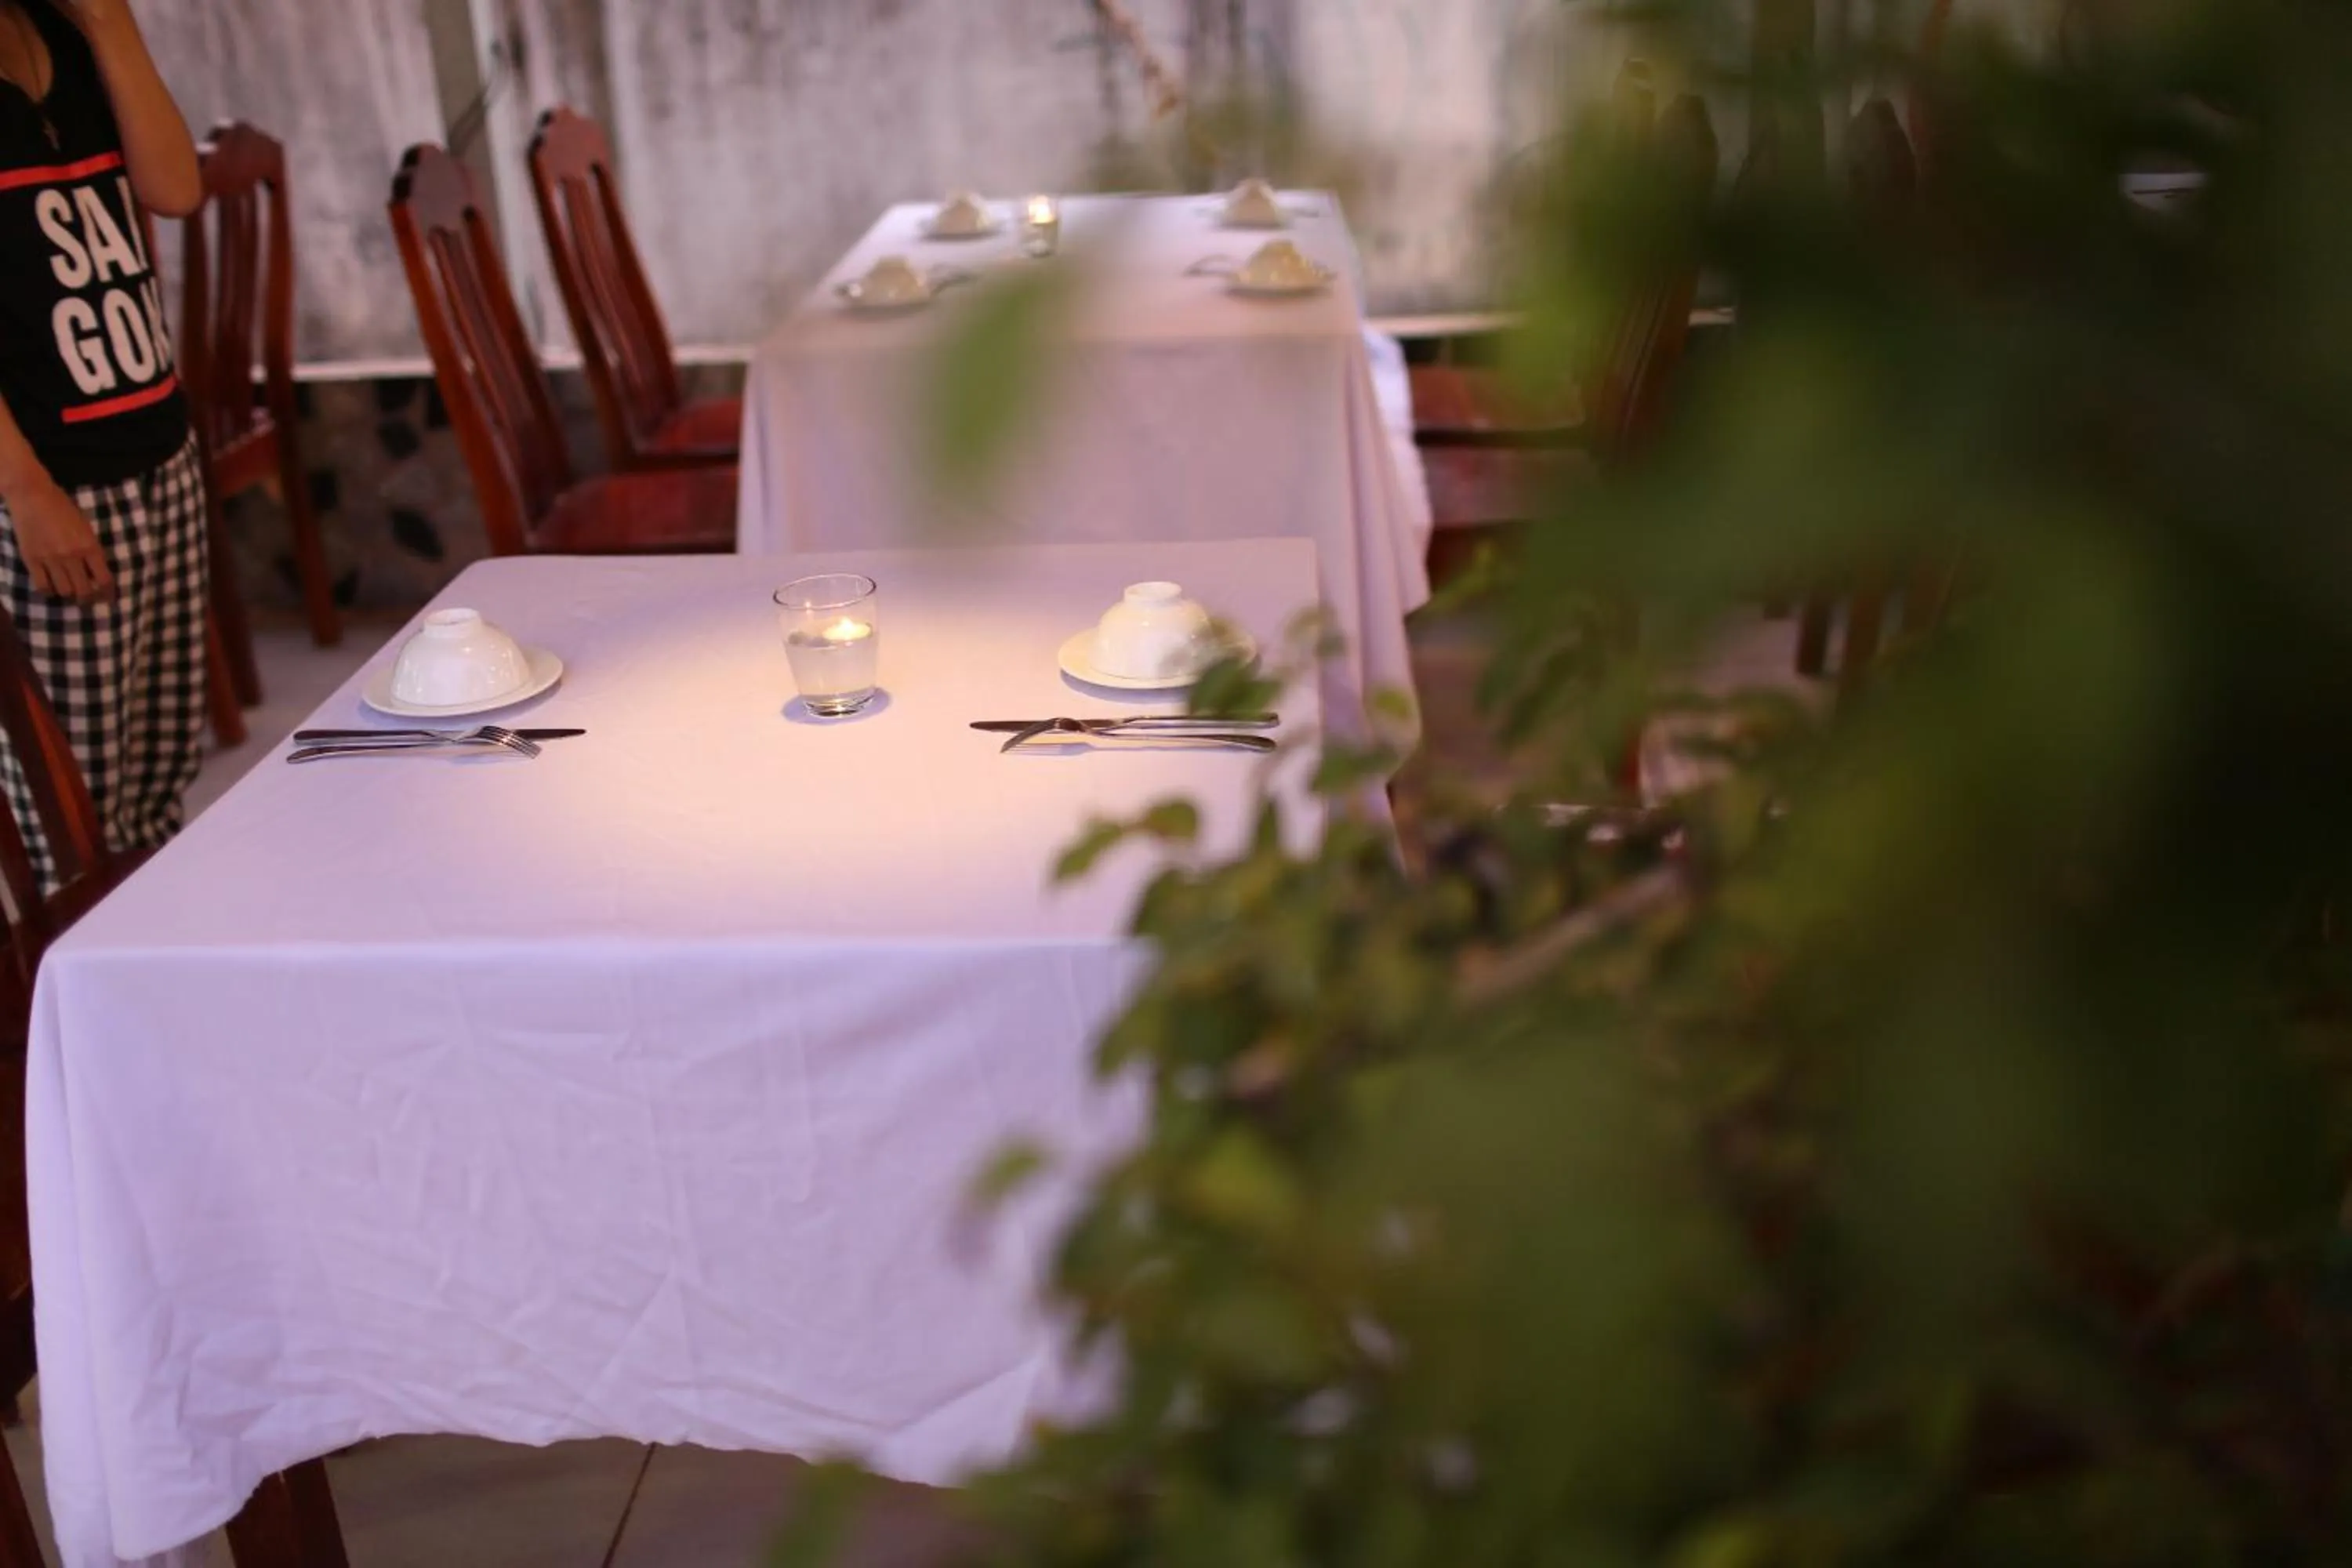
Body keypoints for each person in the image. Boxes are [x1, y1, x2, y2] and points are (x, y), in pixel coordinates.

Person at [0, 0, 204, 884]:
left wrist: (114, 27)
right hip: (43, 479)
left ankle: (147, 974)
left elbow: (174, 188)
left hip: (154, 447)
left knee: (153, 779)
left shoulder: (68, 29)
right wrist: (26, 490)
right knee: (63, 813)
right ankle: (56, 999)